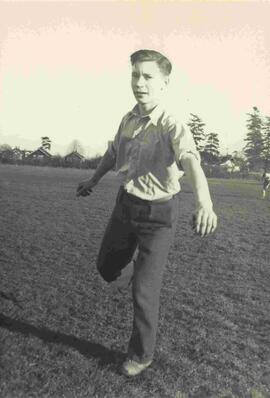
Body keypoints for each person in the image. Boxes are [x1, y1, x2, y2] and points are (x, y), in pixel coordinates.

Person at [76, 49, 217, 377]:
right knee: (105, 267)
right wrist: (93, 180)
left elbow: (192, 162)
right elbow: (113, 154)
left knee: (145, 290)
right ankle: (131, 273)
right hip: (125, 207)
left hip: (159, 215)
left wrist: (205, 203)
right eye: (135, 75)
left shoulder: (172, 124)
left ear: (165, 83)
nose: (140, 82)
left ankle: (141, 356)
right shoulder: (127, 119)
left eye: (148, 76)